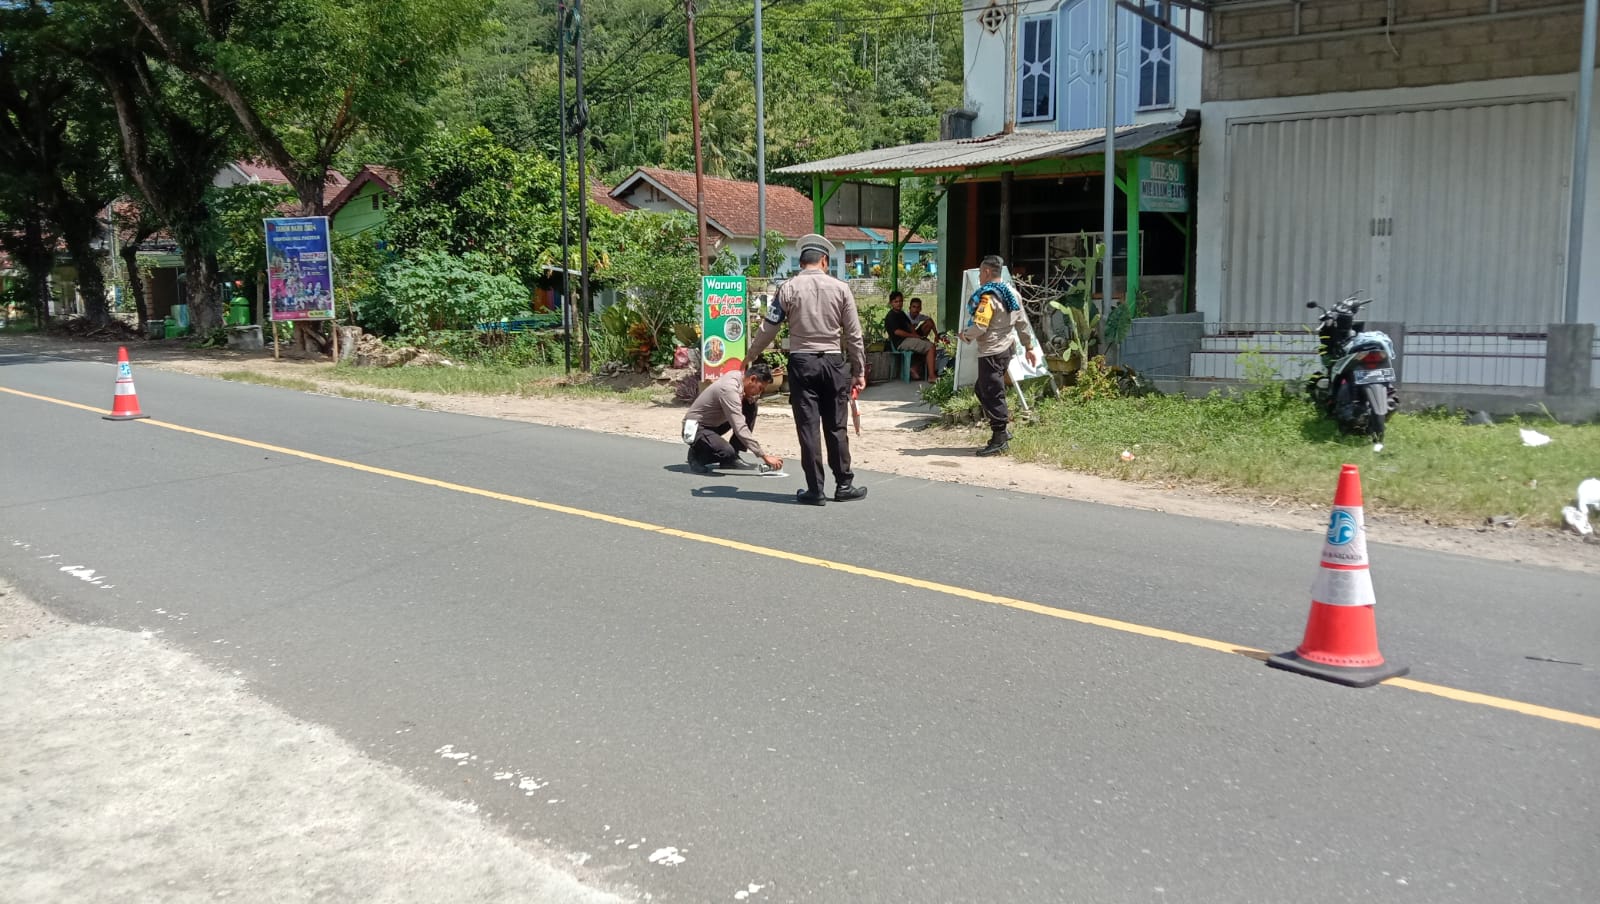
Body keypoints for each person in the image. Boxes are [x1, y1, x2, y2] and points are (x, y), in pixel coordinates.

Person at [744, 233, 868, 505]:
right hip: (833, 362)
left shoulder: (787, 289)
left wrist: (751, 355)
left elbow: (769, 327)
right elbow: (854, 334)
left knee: (808, 428)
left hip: (802, 363)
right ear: (824, 260)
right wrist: (859, 371)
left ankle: (815, 490)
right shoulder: (841, 289)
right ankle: (844, 485)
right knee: (836, 426)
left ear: (801, 263)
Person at [960, 254, 1039, 456]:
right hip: (1006, 349)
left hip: (991, 352)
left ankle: (1000, 438)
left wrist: (965, 335)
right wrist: (1028, 346)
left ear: (987, 272)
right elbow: (1022, 322)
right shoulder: (1012, 293)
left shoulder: (988, 298)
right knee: (982, 388)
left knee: (992, 392)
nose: (979, 277)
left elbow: (980, 326)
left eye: (980, 272)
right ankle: (1001, 431)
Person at [682, 363, 785, 475]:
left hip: (713, 423)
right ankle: (697, 454)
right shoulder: (729, 389)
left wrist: (745, 396)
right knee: (726, 452)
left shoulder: (739, 378)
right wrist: (764, 456)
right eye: (760, 388)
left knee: (750, 405)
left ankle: (732, 458)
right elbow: (739, 426)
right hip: (695, 428)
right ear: (752, 379)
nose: (759, 393)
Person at [883, 292, 937, 382]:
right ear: (891, 303)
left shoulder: (901, 313)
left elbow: (910, 325)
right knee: (930, 347)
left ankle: (915, 368)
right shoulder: (891, 316)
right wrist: (914, 336)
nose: (899, 303)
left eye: (900, 301)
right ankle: (931, 376)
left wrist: (917, 336)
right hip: (901, 342)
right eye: (896, 301)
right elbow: (897, 332)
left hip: (909, 339)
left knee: (929, 344)